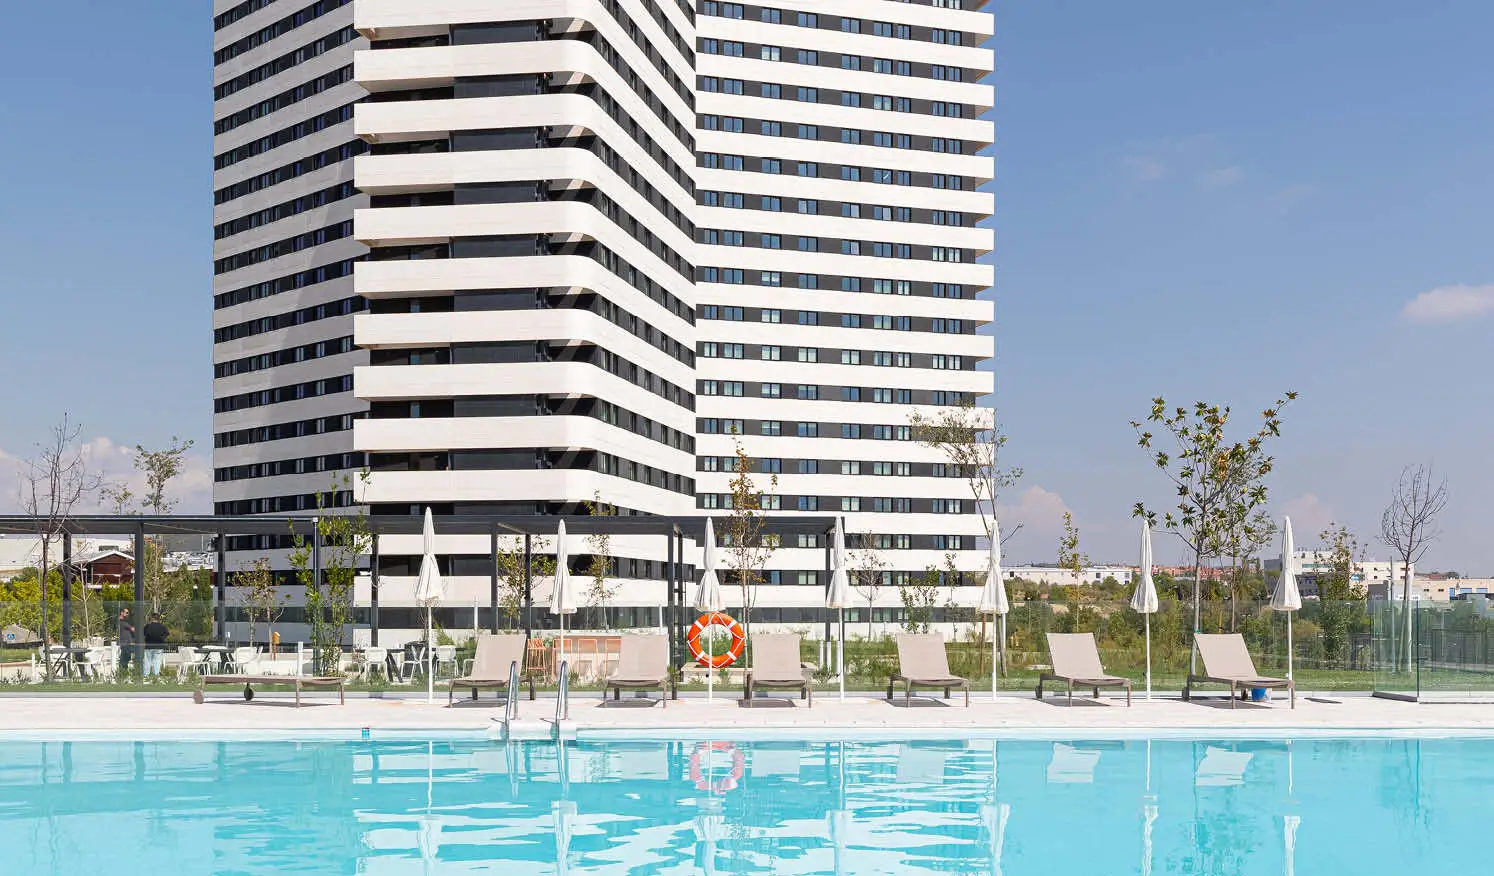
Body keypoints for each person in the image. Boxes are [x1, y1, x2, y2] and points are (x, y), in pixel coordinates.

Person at [142, 613, 169, 678]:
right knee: (157, 661)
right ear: (158, 619)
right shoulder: (162, 627)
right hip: (159, 646)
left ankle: (146, 675)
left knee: (147, 661)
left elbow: (143, 633)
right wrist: (161, 638)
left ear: (152, 618)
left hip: (148, 646)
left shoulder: (147, 626)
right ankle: (156, 675)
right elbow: (167, 634)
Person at [117, 609, 135, 674]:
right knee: (124, 659)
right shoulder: (122, 622)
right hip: (125, 643)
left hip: (126, 643)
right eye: (126, 613)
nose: (128, 614)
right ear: (122, 613)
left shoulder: (124, 622)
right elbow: (133, 629)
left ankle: (124, 673)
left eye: (128, 613)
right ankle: (122, 673)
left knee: (126, 658)